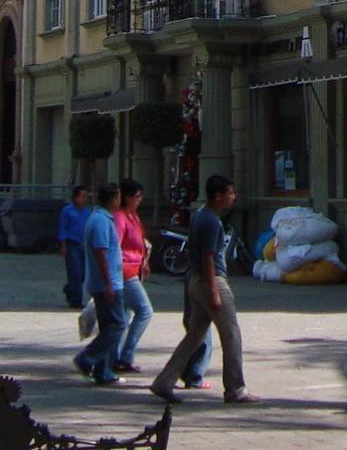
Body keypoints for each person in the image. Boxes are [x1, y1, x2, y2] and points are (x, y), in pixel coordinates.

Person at [149, 174, 258, 406]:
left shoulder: (200, 215)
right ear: (218, 196)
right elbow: (207, 257)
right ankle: (235, 389)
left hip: (196, 281)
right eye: (230, 193)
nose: (233, 197)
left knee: (195, 335)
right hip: (212, 280)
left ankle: (164, 382)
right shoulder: (210, 221)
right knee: (231, 335)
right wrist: (214, 291)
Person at [73, 183, 125, 385]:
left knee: (107, 327)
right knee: (118, 325)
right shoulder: (101, 221)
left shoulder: (99, 218)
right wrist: (108, 283)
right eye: (118, 197)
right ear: (113, 199)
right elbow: (101, 252)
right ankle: (86, 358)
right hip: (107, 283)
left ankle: (103, 371)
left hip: (104, 282)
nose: (120, 201)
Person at [114, 179, 154, 374]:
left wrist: (144, 262)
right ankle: (125, 355)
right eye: (137, 197)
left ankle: (116, 356)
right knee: (145, 311)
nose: (140, 200)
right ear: (128, 197)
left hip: (135, 269)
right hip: (126, 271)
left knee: (124, 316)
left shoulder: (133, 216)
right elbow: (115, 246)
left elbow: (138, 243)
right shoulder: (120, 218)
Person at [59, 185, 93, 310]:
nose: (84, 199)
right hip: (72, 244)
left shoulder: (87, 212)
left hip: (84, 245)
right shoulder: (67, 211)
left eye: (86, 197)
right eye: (82, 196)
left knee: (83, 274)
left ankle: (69, 288)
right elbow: (63, 228)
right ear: (75, 198)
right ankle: (76, 300)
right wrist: (63, 245)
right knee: (75, 273)